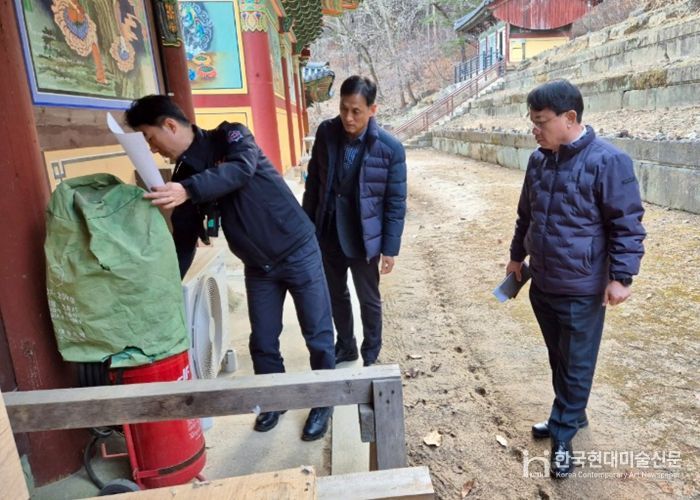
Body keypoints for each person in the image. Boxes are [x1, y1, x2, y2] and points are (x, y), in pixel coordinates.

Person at [125, 95, 335, 441]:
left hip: (297, 250)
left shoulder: (231, 136)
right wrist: (166, 288)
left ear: (170, 125)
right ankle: (275, 400)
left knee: (318, 334)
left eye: (150, 137)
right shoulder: (184, 176)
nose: (153, 148)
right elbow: (184, 241)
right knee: (263, 341)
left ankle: (324, 399)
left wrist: (188, 190)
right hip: (258, 266)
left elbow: (240, 169)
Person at [506, 79, 646, 478]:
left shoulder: (608, 162)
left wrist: (622, 277)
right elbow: (526, 215)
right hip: (542, 283)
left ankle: (563, 434)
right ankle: (571, 412)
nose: (534, 129)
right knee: (559, 358)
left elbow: (627, 225)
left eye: (540, 121)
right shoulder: (538, 161)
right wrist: (516, 257)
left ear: (570, 118)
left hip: (581, 288)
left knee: (576, 364)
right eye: (532, 121)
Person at [302, 76, 407, 367]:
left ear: (372, 109)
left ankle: (371, 353)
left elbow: (395, 203)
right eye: (344, 109)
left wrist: (390, 249)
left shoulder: (390, 148)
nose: (348, 117)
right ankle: (346, 345)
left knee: (368, 299)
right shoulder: (326, 132)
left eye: (356, 111)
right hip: (328, 232)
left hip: (364, 236)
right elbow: (314, 185)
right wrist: (307, 229)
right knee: (335, 294)